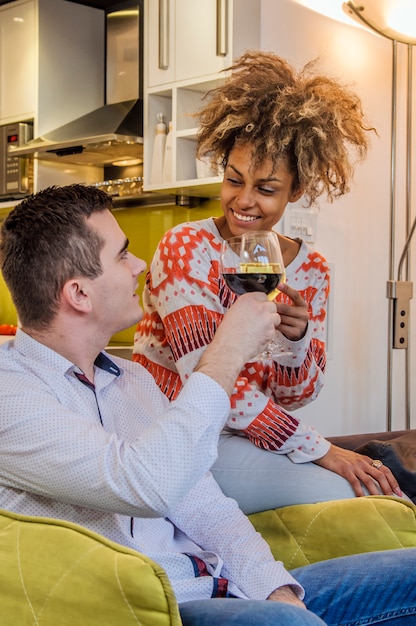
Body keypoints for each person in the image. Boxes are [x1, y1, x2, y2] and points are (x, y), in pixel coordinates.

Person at [1, 184, 416, 626]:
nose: (141, 264)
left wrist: (275, 592)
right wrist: (226, 350)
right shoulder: (12, 393)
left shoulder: (133, 381)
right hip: (167, 611)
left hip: (225, 588)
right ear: (79, 294)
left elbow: (207, 507)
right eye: (123, 255)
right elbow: (145, 483)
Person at [133, 50, 403, 513]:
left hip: (246, 436)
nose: (243, 201)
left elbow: (297, 395)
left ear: (295, 191)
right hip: (176, 437)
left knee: (380, 486)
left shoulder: (311, 268)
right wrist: (322, 450)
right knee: (354, 500)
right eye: (234, 180)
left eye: (266, 188)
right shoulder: (186, 249)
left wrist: (295, 342)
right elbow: (207, 385)